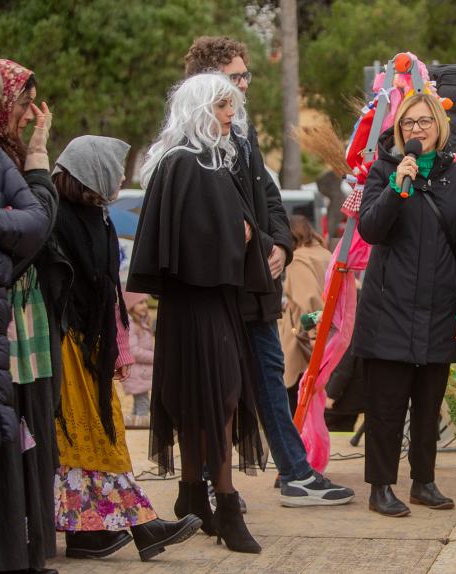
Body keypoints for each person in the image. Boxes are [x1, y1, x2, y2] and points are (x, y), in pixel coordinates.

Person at [183, 36, 353, 507]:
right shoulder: (190, 139)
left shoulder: (243, 131)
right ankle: (199, 487)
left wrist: (279, 244)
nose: (243, 86)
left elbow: (270, 200)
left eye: (245, 76)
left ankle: (296, 474)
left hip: (255, 284)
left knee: (271, 378)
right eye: (233, 78)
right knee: (218, 392)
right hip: (216, 289)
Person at [129, 73, 268, 553]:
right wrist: (242, 235)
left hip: (203, 303)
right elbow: (197, 242)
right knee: (217, 400)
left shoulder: (194, 161)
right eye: (224, 106)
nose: (232, 115)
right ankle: (224, 504)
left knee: (203, 401)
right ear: (202, 109)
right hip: (201, 302)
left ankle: (194, 495)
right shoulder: (188, 163)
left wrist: (243, 232)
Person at [49, 136, 201, 562]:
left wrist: (117, 348)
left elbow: (109, 289)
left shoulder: (98, 218)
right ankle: (140, 526)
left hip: (90, 349)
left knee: (97, 441)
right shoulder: (57, 219)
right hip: (67, 347)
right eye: (115, 169)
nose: (120, 176)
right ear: (91, 172)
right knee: (92, 441)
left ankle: (93, 534)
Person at [354, 92, 456, 517]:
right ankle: (381, 487)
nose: (418, 129)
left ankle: (423, 482)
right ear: (398, 129)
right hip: (388, 308)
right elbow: (371, 230)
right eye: (409, 123)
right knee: (386, 406)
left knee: (428, 404)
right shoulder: (383, 171)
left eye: (426, 122)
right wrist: (395, 188)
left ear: (439, 128)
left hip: (439, 308)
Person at [0, 57, 59, 574]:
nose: (28, 112)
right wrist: (2, 250)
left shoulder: (0, 158)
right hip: (3, 318)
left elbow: (37, 224)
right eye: (21, 101)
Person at [278, 215, 332, 413]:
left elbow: (309, 301)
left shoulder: (297, 259)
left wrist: (311, 332)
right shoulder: (325, 254)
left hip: (301, 344)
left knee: (296, 405)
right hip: (329, 336)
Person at [121, 291, 153, 429]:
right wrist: (155, 357)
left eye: (146, 302)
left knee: (139, 404)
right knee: (143, 406)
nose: (144, 305)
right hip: (136, 375)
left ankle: (132, 425)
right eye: (140, 302)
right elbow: (133, 351)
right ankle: (139, 428)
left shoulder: (142, 323)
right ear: (130, 305)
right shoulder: (131, 325)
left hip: (141, 375)